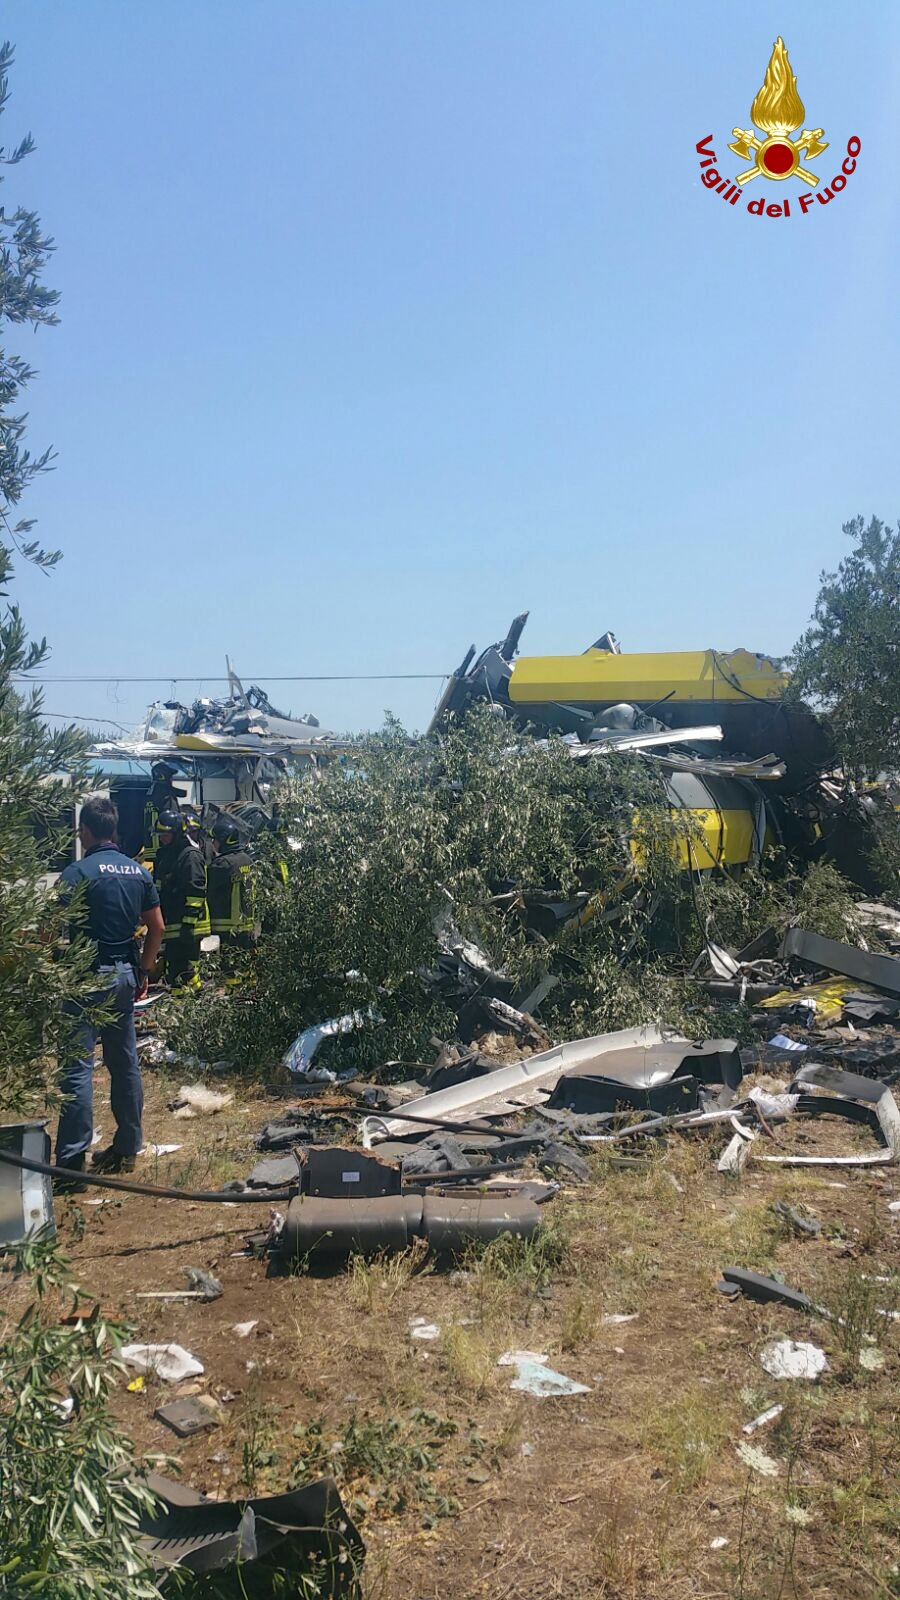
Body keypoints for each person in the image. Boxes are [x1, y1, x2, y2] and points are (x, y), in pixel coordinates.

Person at [56, 793, 165, 1185]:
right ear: (113, 830)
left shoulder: (78, 872)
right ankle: (127, 1147)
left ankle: (70, 1165)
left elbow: (52, 927)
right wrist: (144, 969)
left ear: (86, 830)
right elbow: (158, 927)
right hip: (124, 975)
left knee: (77, 1068)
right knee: (123, 1062)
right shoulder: (138, 872)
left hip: (86, 975)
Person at [153, 807, 209, 994]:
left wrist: (188, 924)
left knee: (186, 970)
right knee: (174, 969)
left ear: (177, 832)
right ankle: (181, 1003)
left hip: (188, 925)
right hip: (172, 921)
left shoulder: (190, 856)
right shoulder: (165, 855)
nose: (162, 838)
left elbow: (196, 892)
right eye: (160, 834)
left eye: (166, 834)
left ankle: (194, 1002)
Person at [206, 813, 257, 983]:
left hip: (228, 923)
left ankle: (233, 996)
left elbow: (208, 889)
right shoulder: (247, 860)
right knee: (244, 962)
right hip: (247, 922)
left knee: (230, 965)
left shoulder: (222, 864)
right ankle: (247, 992)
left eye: (215, 840)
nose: (213, 844)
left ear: (224, 840)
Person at [142, 761, 186, 865]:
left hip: (151, 847)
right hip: (165, 846)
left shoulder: (150, 794)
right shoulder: (166, 796)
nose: (172, 780)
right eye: (171, 777)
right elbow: (172, 821)